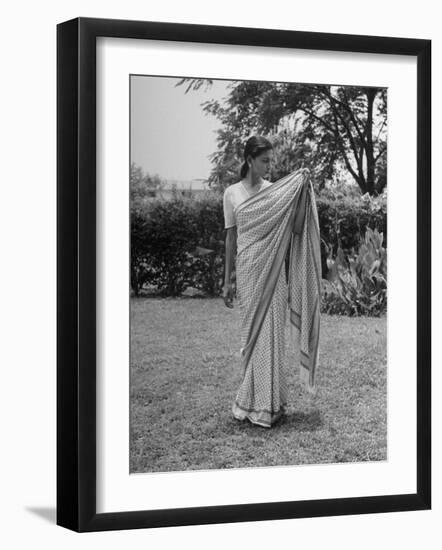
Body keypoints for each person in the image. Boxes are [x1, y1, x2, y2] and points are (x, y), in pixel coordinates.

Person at [222, 135, 321, 428]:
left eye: (270, 161)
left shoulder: (276, 191)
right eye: (264, 160)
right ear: (250, 160)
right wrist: (227, 279)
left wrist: (303, 188)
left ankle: (271, 404)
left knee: (272, 334)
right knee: (252, 335)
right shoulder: (232, 194)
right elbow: (231, 238)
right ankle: (251, 401)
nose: (269, 166)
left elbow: (298, 224)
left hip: (273, 272)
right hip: (249, 269)